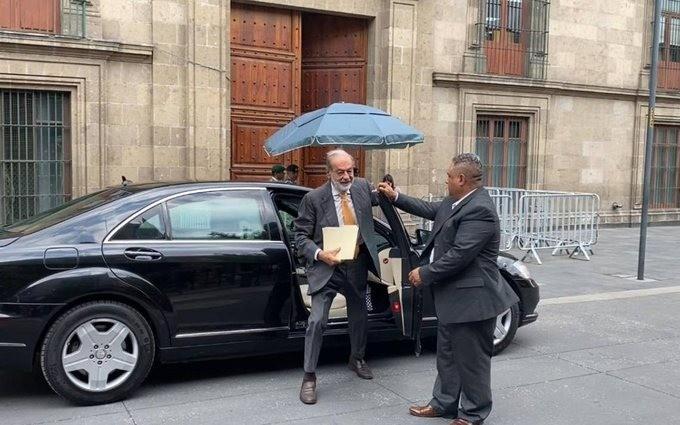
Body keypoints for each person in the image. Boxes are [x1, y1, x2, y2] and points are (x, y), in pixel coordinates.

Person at [378, 153, 518, 425]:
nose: (446, 181)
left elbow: (460, 254)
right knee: (448, 356)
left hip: (473, 300)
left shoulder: (481, 210)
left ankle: (473, 413)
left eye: (448, 176)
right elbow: (431, 209)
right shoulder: (458, 201)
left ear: (461, 179)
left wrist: (425, 273)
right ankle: (444, 403)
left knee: (472, 361)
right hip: (453, 297)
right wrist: (396, 198)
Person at [294, 149, 381, 405]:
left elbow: (378, 199)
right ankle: (309, 376)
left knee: (359, 313)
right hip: (327, 267)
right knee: (317, 320)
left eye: (350, 170)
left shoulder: (363, 186)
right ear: (328, 172)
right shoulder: (313, 198)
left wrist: (388, 189)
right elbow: (300, 237)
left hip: (356, 264)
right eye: (340, 172)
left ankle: (357, 358)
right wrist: (320, 254)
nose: (346, 176)